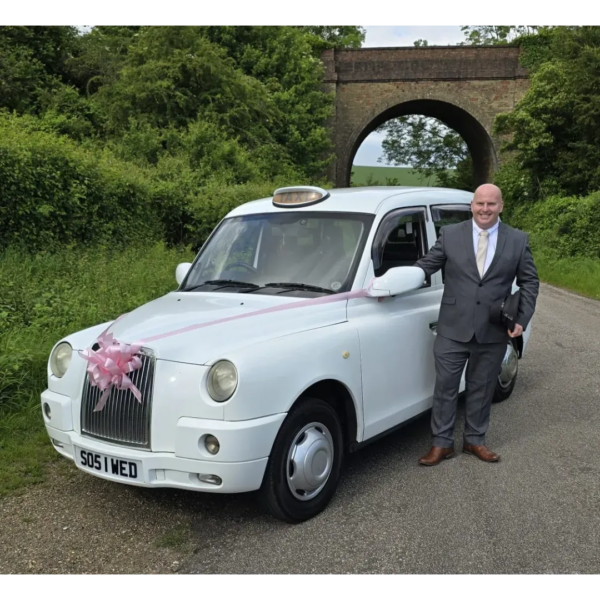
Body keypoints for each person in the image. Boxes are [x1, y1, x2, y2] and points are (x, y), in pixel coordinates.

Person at [414, 184, 539, 466]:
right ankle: (441, 444)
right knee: (445, 387)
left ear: (501, 206)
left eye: (491, 204)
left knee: (481, 387)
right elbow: (427, 265)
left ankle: (475, 440)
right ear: (472, 205)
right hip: (452, 328)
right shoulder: (450, 234)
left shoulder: (517, 240)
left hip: (493, 328)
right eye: (480, 203)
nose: (485, 209)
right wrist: (403, 278)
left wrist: (522, 318)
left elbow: (530, 281)